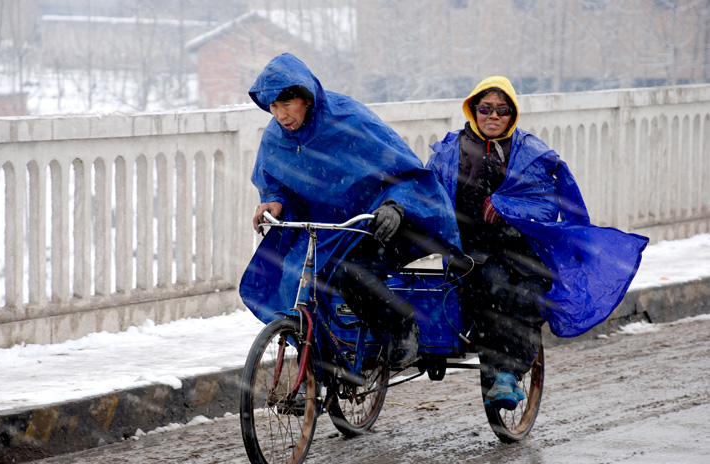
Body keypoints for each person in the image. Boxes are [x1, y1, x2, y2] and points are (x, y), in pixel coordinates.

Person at [426, 76, 649, 410]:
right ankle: (500, 371)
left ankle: (509, 373)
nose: (493, 116)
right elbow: (430, 192)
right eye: (485, 108)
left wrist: (506, 209)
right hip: (470, 250)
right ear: (473, 109)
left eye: (502, 110)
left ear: (512, 114)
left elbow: (546, 203)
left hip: (522, 246)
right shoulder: (449, 152)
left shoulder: (530, 153)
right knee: (492, 286)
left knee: (530, 296)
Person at [240, 53, 461, 367]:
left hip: (376, 221)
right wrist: (276, 202)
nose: (280, 115)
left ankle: (401, 327)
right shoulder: (277, 137)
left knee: (350, 272)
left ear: (306, 97)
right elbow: (278, 186)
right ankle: (318, 364)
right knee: (290, 277)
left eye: (287, 105)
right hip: (325, 228)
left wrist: (395, 206)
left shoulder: (350, 121)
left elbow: (404, 172)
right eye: (273, 107)